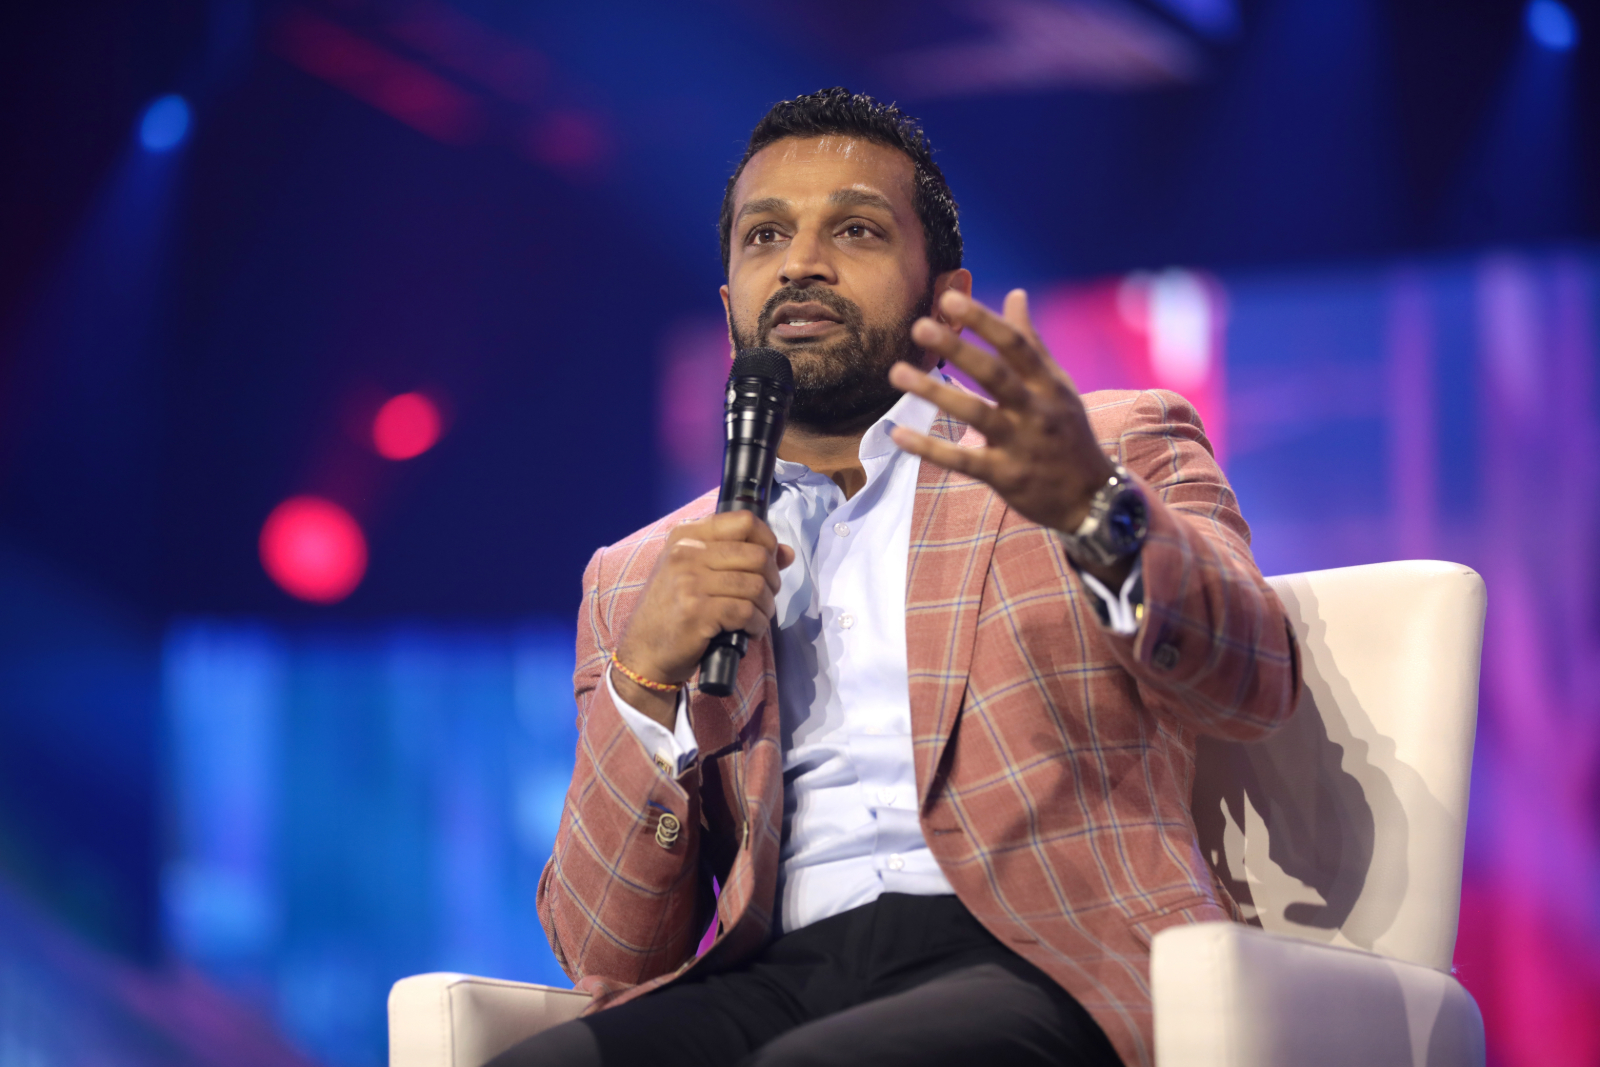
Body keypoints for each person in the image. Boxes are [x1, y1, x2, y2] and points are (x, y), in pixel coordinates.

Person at [502, 88, 1300, 1067]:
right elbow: (608, 951)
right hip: (779, 974)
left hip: (1045, 955)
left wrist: (1096, 511)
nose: (799, 262)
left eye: (855, 228)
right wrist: (643, 684)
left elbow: (1255, 683)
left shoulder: (1092, 447)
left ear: (942, 294)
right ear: (729, 306)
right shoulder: (641, 576)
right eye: (763, 237)